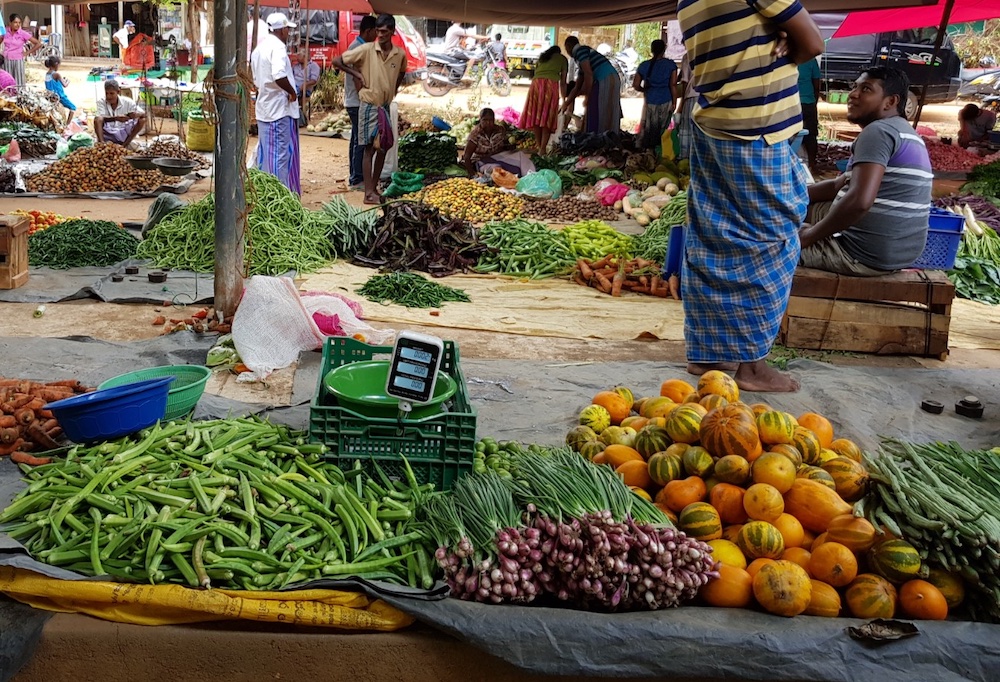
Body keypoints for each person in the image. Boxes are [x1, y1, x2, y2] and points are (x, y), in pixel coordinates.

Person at [677, 0, 823, 393]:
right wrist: (786, 42)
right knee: (773, 241)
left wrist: (773, 39)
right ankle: (753, 367)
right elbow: (812, 43)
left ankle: (708, 353)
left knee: (713, 236)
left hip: (713, 123)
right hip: (757, 128)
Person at [799, 67, 933, 276]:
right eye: (854, 87)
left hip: (860, 254)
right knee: (796, 207)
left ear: (890, 102)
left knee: (763, 249)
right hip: (895, 252)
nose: (853, 94)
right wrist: (790, 195)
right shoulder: (904, 132)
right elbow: (838, 185)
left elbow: (859, 202)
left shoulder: (878, 132)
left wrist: (808, 237)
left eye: (866, 89)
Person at [332, 14, 407, 205]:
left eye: (384, 31)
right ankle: (368, 192)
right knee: (368, 149)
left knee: (383, 147)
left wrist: (392, 90)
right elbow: (337, 61)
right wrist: (356, 72)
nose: (380, 35)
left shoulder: (399, 54)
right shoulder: (365, 50)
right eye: (378, 31)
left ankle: (373, 187)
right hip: (368, 105)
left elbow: (401, 73)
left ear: (391, 31)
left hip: (384, 105)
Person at [250, 12, 300, 195]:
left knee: (267, 154)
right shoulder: (278, 47)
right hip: (278, 110)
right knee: (279, 156)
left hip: (264, 108)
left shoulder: (259, 49)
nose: (288, 33)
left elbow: (256, 78)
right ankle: (279, 197)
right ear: (283, 29)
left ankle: (265, 194)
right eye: (287, 29)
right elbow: (279, 74)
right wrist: (292, 92)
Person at [343, 15, 377, 190]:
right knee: (361, 141)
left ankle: (354, 176)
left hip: (354, 101)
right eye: (376, 33)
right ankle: (357, 179)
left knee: (356, 139)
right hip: (357, 102)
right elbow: (358, 81)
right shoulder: (358, 48)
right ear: (369, 31)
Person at [561, 36, 621, 134]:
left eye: (566, 48)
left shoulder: (580, 52)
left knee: (598, 109)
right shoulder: (580, 60)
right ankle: (605, 134)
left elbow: (589, 74)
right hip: (611, 78)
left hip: (605, 78)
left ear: (568, 46)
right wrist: (565, 104)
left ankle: (600, 135)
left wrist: (587, 97)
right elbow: (577, 87)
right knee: (604, 109)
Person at [633, 39, 678, 150]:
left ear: (652, 50)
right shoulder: (670, 65)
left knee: (648, 128)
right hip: (666, 100)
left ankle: (646, 151)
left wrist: (645, 90)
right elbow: (673, 85)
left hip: (650, 101)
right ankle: (661, 152)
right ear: (664, 49)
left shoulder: (644, 66)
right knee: (663, 129)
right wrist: (674, 102)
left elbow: (635, 85)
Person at [463, 107, 535, 177]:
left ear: (494, 120)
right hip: (481, 161)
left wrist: (510, 146)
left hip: (498, 157)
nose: (488, 123)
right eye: (485, 120)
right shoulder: (475, 134)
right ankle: (510, 178)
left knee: (520, 155)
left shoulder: (500, 130)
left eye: (490, 120)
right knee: (496, 169)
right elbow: (467, 156)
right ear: (480, 120)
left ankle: (531, 176)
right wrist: (472, 173)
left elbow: (505, 145)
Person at [520, 46, 566, 154]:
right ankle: (543, 148)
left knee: (537, 116)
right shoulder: (562, 59)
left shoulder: (542, 57)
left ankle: (540, 146)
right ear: (558, 53)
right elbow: (563, 82)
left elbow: (536, 73)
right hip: (550, 86)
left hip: (536, 85)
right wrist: (564, 99)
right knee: (547, 118)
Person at [94, 80, 146, 147]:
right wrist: (116, 118)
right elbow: (100, 118)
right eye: (106, 93)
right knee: (98, 118)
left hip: (123, 134)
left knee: (142, 119)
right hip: (107, 134)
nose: (108, 96)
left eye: (111, 93)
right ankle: (102, 145)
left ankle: (124, 146)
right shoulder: (101, 102)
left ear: (118, 92)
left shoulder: (128, 102)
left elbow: (145, 114)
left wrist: (136, 114)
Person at [1, 14, 39, 89]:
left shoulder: (22, 33)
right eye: (15, 22)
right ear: (10, 23)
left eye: (19, 22)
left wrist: (27, 53)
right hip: (6, 60)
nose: (17, 24)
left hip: (18, 60)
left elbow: (38, 43)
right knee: (7, 82)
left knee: (19, 82)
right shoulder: (5, 31)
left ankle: (19, 97)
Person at [797, 57, 822, 171]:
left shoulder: (788, 58)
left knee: (789, 134)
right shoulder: (811, 60)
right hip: (808, 103)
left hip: (791, 103)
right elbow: (817, 85)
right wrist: (813, 103)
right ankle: (812, 164)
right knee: (811, 135)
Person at [674, 52, 697, 160]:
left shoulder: (688, 56)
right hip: (709, 99)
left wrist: (680, 106)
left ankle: (685, 159)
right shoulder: (711, 51)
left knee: (687, 132)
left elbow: (684, 83)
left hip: (692, 97)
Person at [291, 49, 321, 128]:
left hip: (305, 89)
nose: (297, 57)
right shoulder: (295, 66)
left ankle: (299, 118)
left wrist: (303, 86)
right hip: (294, 86)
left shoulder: (313, 66)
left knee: (292, 94)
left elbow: (313, 80)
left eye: (299, 55)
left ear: (305, 57)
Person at [44, 56, 75, 125]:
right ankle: (67, 125)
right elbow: (65, 85)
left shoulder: (47, 74)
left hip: (50, 96)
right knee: (73, 108)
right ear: (56, 64)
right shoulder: (56, 74)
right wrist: (67, 81)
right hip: (59, 96)